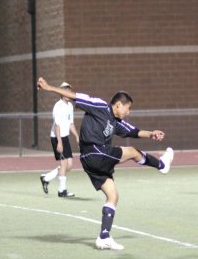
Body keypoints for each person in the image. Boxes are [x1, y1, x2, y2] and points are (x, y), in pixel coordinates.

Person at [37, 77, 174, 250]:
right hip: (94, 152)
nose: (128, 112)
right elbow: (74, 96)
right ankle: (162, 165)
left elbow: (133, 131)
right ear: (118, 105)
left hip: (92, 159)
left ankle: (104, 237)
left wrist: (151, 134)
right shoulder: (100, 106)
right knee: (132, 152)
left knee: (113, 196)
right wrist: (49, 88)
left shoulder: (116, 122)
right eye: (128, 108)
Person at [39, 82, 80, 197]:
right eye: (66, 91)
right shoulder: (58, 106)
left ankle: (46, 178)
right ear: (61, 93)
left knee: (69, 165)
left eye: (70, 91)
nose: (69, 93)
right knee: (64, 164)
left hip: (65, 136)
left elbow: (71, 123)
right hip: (57, 137)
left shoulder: (70, 106)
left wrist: (77, 136)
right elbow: (57, 125)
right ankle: (62, 191)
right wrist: (59, 143)